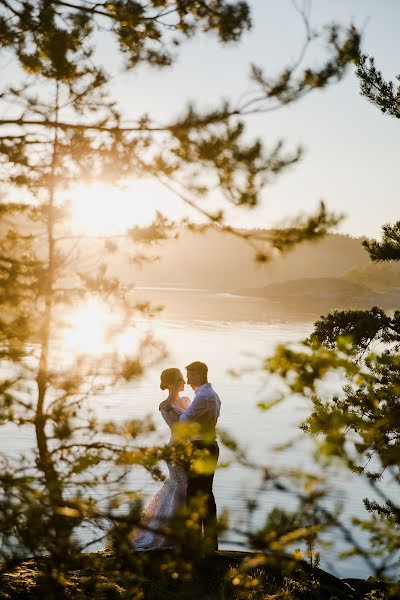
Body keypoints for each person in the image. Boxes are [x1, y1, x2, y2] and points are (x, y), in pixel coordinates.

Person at [132, 368, 190, 549]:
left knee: (181, 490)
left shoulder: (186, 401)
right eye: (181, 379)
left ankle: (180, 534)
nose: (184, 382)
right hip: (176, 450)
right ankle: (168, 537)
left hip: (189, 450)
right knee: (181, 489)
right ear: (172, 383)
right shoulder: (166, 406)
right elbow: (180, 427)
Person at [179, 361, 221, 552]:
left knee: (195, 494)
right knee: (206, 493)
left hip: (200, 448)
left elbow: (184, 420)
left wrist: (175, 408)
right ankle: (209, 541)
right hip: (209, 446)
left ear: (198, 375)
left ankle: (195, 541)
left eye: (190, 376)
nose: (187, 381)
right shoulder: (210, 395)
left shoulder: (204, 396)